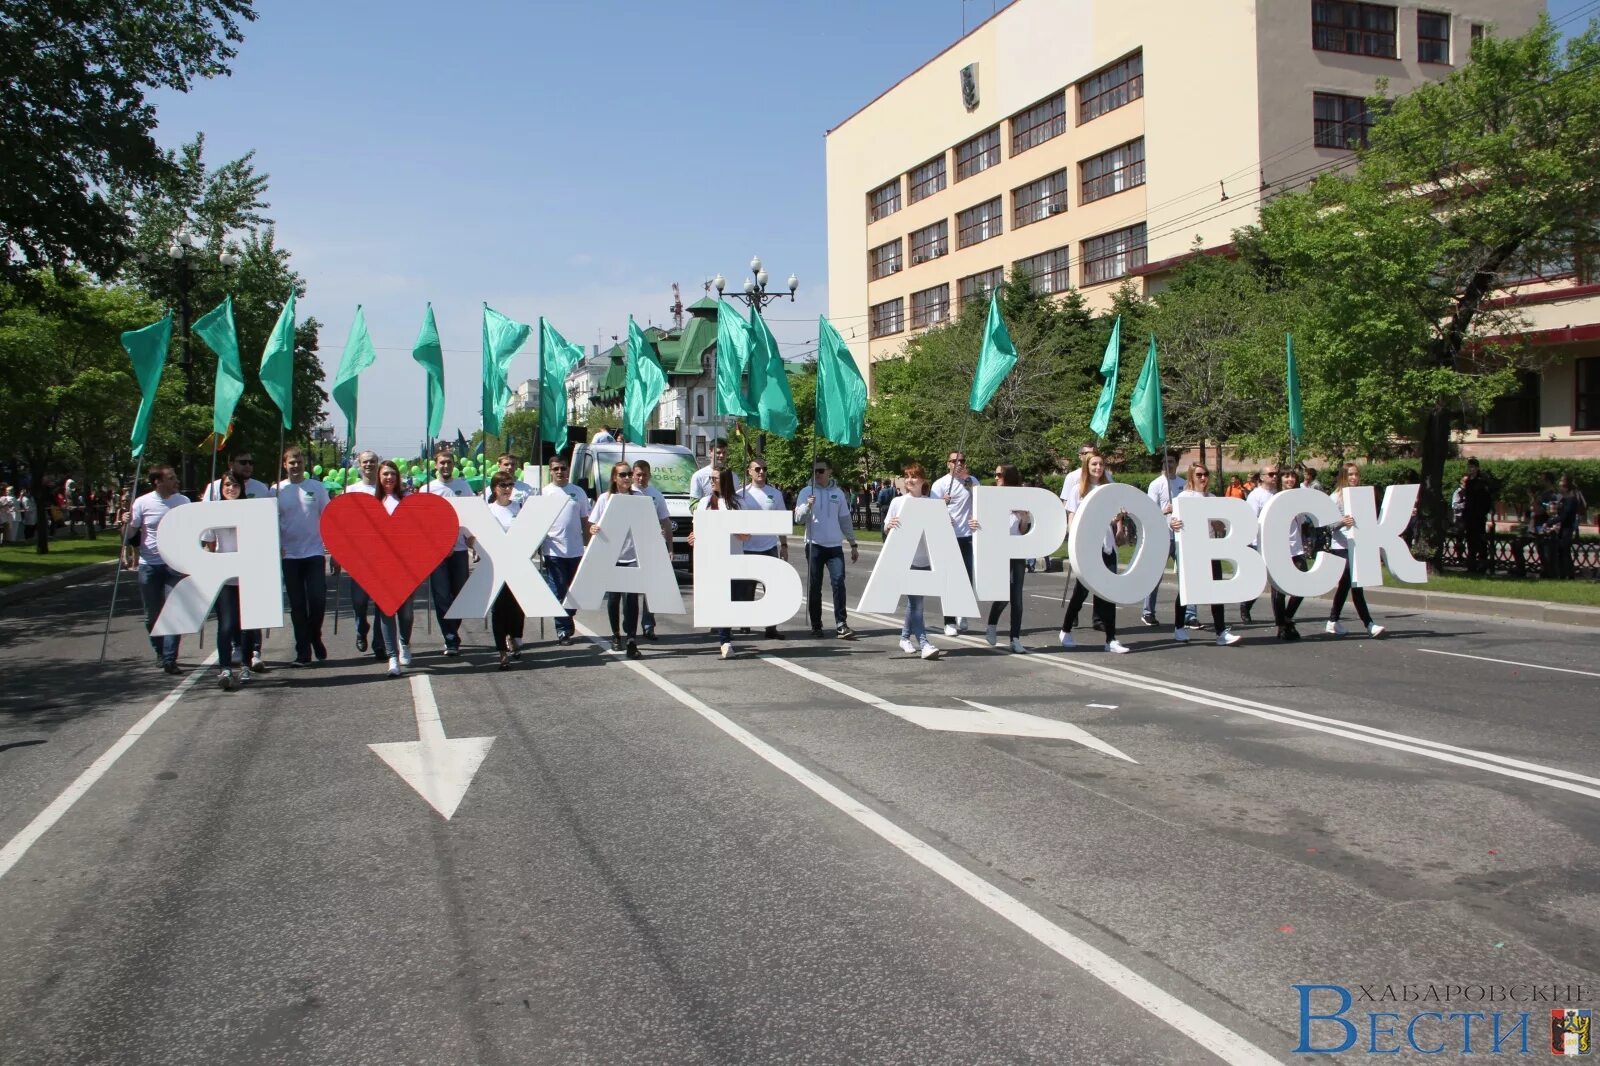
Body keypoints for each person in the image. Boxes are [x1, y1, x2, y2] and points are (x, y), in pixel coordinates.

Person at [589, 461, 665, 659]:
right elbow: (592, 525)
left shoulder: (640, 497)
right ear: (614, 477)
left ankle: (631, 639)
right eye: (622, 474)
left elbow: (649, 522)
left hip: (633, 555)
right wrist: (593, 529)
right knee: (613, 600)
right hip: (611, 556)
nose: (627, 477)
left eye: (629, 474)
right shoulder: (605, 499)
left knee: (631, 600)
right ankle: (616, 635)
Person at [1059, 449, 1126, 653]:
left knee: (1109, 591)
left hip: (1107, 546)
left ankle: (1111, 639)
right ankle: (1066, 630)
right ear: (1087, 467)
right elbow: (1071, 518)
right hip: (1087, 547)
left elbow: (1112, 517)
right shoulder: (1078, 490)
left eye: (1101, 464)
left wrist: (1119, 519)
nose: (1098, 468)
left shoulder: (1108, 488)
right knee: (1081, 592)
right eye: (1094, 464)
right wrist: (1075, 544)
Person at [1167, 462, 1240, 647]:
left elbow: (1220, 526)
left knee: (1217, 590)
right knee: (1187, 590)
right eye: (1199, 474)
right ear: (1192, 476)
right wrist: (1172, 523)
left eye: (1205, 474)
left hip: (1210, 548)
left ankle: (1221, 632)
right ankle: (1178, 627)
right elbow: (1173, 521)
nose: (1203, 478)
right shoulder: (1184, 497)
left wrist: (1219, 523)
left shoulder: (1212, 497)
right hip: (1192, 549)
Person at [124, 465, 188, 674]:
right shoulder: (142, 503)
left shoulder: (183, 502)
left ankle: (170, 657)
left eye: (175, 477)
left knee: (174, 611)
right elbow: (130, 533)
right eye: (171, 478)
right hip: (149, 565)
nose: (175, 481)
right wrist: (125, 523)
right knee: (152, 615)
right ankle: (160, 651)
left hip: (174, 565)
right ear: (157, 482)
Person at [276, 446, 331, 665]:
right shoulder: (277, 490)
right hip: (289, 556)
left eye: (299, 462)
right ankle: (303, 651)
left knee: (317, 600)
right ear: (285, 465)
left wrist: (332, 549)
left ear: (304, 464)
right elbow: (270, 522)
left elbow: (329, 518)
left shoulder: (316, 488)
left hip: (315, 553)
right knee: (297, 605)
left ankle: (314, 635)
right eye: (292, 462)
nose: (296, 466)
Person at [794, 458, 859, 639]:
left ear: (829, 471)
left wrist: (853, 544)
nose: (817, 474)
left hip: (834, 546)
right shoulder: (806, 492)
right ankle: (816, 625)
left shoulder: (838, 493)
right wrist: (808, 505)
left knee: (838, 582)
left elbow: (845, 520)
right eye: (814, 471)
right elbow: (798, 519)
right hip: (814, 545)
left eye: (821, 471)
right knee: (815, 586)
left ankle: (841, 624)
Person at [883, 462, 942, 660]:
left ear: (923, 480)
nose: (909, 480)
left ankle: (904, 637)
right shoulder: (898, 502)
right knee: (917, 604)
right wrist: (889, 525)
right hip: (907, 559)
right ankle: (924, 643)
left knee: (914, 603)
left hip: (927, 559)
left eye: (914, 476)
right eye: (907, 476)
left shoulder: (932, 502)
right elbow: (886, 528)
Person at [422, 445, 476, 656]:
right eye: (442, 463)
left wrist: (472, 539)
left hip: (460, 550)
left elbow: (472, 515)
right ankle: (451, 637)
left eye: (449, 462)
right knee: (442, 595)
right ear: (435, 465)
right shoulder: (429, 489)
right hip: (437, 553)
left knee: (460, 594)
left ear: (454, 465)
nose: (446, 466)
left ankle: (452, 629)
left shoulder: (464, 486)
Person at [202, 471, 253, 689]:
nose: (230, 488)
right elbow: (209, 545)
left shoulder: (252, 511)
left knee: (248, 625)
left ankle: (245, 665)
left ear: (242, 487)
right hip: (225, 578)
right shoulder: (214, 512)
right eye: (226, 485)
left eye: (234, 485)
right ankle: (224, 667)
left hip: (249, 575)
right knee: (226, 625)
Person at [1326, 462, 1386, 638]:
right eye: (1350, 474)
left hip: (1358, 545)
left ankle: (1333, 620)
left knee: (1346, 585)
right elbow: (1328, 526)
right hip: (1341, 546)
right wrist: (1341, 523)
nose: (1354, 478)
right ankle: (1369, 624)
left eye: (1356, 474)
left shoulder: (1361, 496)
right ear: (1344, 476)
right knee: (1355, 585)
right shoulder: (1335, 497)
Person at [694, 468, 749, 659]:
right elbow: (698, 529)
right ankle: (725, 640)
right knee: (721, 599)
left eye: (714, 478)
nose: (711, 481)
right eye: (710, 478)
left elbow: (745, 535)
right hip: (712, 558)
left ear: (724, 480)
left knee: (733, 600)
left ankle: (725, 634)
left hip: (733, 557)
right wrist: (694, 536)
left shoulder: (738, 503)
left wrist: (732, 527)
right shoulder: (704, 503)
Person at [735, 458, 789, 640]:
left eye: (764, 468)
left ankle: (771, 627)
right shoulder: (741, 494)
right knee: (746, 589)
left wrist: (784, 544)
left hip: (769, 548)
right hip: (748, 548)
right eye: (757, 468)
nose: (761, 472)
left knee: (772, 589)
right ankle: (745, 623)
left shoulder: (775, 494)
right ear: (749, 471)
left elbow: (781, 520)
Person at [343, 452, 389, 659]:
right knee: (359, 601)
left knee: (382, 601)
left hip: (384, 554)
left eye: (372, 461)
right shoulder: (351, 490)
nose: (369, 465)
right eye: (365, 462)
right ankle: (361, 628)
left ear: (377, 464)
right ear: (359, 466)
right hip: (360, 555)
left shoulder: (385, 490)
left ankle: (380, 643)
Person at [1240, 463, 1294, 638]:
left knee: (1277, 583)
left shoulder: (1278, 495)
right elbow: (1250, 520)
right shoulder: (1256, 496)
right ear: (1261, 477)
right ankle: (1246, 605)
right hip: (1259, 544)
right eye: (1271, 474)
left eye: (1276, 474)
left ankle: (1281, 622)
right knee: (1260, 580)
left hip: (1277, 545)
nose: (1275, 477)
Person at [373, 460, 417, 676]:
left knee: (406, 612)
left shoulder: (406, 500)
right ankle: (392, 656)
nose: (389, 478)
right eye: (385, 474)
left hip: (406, 564)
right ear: (379, 478)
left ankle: (404, 643)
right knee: (386, 610)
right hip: (381, 565)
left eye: (392, 474)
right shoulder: (373, 503)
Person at [541, 453, 590, 646]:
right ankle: (562, 629)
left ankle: (568, 617)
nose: (560, 472)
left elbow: (585, 520)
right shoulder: (545, 493)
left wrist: (588, 543)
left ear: (568, 469)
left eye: (563, 468)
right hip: (553, 551)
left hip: (576, 550)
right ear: (551, 472)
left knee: (574, 591)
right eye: (556, 469)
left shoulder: (578, 492)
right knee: (558, 589)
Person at [982, 463, 1029, 653]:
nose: (996, 478)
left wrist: (1024, 518)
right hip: (999, 552)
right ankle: (992, 625)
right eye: (995, 474)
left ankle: (1015, 638)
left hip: (1017, 551)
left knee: (1017, 597)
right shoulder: (991, 498)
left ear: (1008, 477)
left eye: (999, 475)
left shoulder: (1021, 498)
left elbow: (1023, 530)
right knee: (1002, 595)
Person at [932, 450, 979, 636]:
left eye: (962, 461)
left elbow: (980, 502)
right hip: (949, 536)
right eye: (954, 461)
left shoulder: (971, 481)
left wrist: (967, 481)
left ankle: (963, 612)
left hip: (967, 535)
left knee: (967, 578)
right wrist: (942, 505)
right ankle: (949, 621)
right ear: (948, 464)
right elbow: (931, 510)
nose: (959, 464)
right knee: (950, 579)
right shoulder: (940, 484)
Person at [485, 472, 527, 668]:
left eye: (510, 485)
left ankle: (514, 637)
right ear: (495, 488)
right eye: (503, 485)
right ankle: (502, 651)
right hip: (496, 566)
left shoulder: (519, 508)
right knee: (499, 609)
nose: (507, 489)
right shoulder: (488, 510)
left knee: (517, 607)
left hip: (517, 564)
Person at [632, 459, 674, 639]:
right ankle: (630, 627)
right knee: (631, 592)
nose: (641, 478)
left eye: (644, 474)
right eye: (638, 474)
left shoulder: (656, 495)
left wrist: (670, 547)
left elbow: (665, 521)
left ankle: (648, 626)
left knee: (651, 590)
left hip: (651, 547)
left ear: (650, 475)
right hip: (630, 550)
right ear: (633, 475)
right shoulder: (626, 493)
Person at [1142, 455, 1185, 626]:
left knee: (1186, 576)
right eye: (1165, 462)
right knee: (1155, 576)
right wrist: (1164, 510)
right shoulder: (1156, 484)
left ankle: (1189, 614)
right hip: (1163, 536)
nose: (1168, 465)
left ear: (1176, 464)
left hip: (1181, 535)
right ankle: (1148, 612)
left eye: (1171, 462)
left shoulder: (1183, 483)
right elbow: (1149, 512)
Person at [1460, 458, 1494, 573]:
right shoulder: (1468, 481)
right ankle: (1471, 564)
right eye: (1469, 467)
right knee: (1470, 540)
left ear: (1477, 468)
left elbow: (1486, 498)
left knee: (1480, 540)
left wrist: (1483, 511)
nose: (1471, 469)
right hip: (1469, 514)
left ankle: (1482, 564)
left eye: (1473, 467)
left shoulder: (1481, 481)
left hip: (1478, 515)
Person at [202, 449, 270, 501]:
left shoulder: (261, 488)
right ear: (230, 464)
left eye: (251, 462)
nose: (248, 466)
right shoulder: (214, 487)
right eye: (243, 462)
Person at [1553, 473, 1583, 580]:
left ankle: (1569, 575)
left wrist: (1551, 521)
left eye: (1561, 484)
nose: (1559, 486)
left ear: (1566, 486)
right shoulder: (1565, 499)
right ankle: (1563, 574)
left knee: (1564, 552)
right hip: (1563, 528)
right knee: (1561, 552)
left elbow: (1565, 515)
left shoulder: (1571, 498)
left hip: (1567, 528)